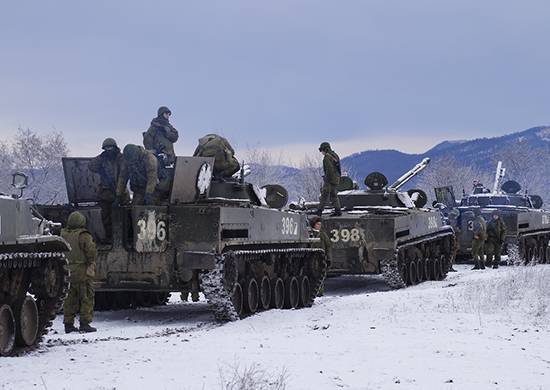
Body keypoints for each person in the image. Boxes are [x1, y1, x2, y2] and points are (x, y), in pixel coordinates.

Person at [61, 211, 97, 333]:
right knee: (86, 296)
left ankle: (68, 324)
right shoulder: (84, 235)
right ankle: (85, 323)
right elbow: (91, 252)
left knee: (69, 299)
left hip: (67, 270)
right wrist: (91, 262)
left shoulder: (63, 234)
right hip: (82, 271)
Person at [88, 138, 127, 241]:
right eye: (106, 148)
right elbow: (91, 166)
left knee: (122, 216)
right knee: (106, 217)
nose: (109, 150)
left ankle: (123, 238)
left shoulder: (122, 158)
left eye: (110, 147)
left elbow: (123, 176)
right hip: (106, 193)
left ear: (115, 147)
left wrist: (119, 195)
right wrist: (101, 157)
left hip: (120, 192)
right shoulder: (102, 159)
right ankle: (110, 237)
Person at [317, 142, 342, 217]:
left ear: (325, 149)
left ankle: (319, 211)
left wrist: (326, 179)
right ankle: (338, 210)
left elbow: (329, 169)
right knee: (334, 195)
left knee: (324, 195)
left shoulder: (327, 157)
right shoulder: (335, 155)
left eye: (322, 150)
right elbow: (338, 168)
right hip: (336, 178)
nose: (322, 152)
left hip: (329, 180)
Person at [310, 216, 331, 296]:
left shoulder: (322, 234)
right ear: (314, 225)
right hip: (312, 256)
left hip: (320, 256)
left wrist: (328, 257)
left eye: (320, 224)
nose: (319, 226)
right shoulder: (310, 233)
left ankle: (319, 292)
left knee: (320, 273)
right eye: (317, 224)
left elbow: (328, 244)